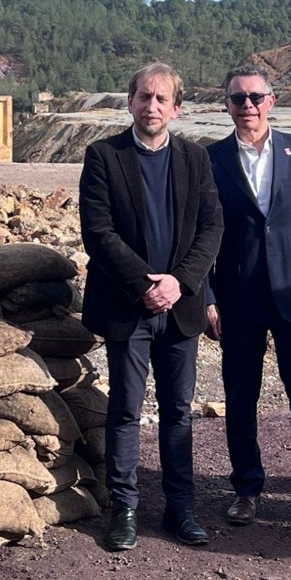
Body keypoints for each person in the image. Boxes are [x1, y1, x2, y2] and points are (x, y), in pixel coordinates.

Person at [79, 62, 223, 551]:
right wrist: (146, 284)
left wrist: (179, 284)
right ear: (130, 102)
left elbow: (211, 229)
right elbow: (99, 234)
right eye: (144, 97)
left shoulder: (195, 160)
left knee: (178, 412)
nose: (152, 106)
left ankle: (181, 509)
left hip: (180, 308)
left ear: (176, 108)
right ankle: (125, 509)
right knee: (125, 409)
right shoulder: (103, 156)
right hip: (128, 306)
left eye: (162, 99)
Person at [204, 63, 291, 530]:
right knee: (241, 397)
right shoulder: (209, 159)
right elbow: (200, 236)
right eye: (237, 99)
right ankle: (246, 489)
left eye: (255, 97)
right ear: (225, 105)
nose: (247, 106)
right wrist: (206, 296)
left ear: (272, 100)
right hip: (237, 297)